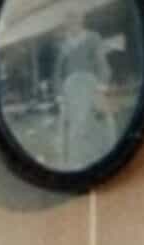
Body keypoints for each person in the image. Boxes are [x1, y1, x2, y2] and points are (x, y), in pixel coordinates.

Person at [54, 11, 116, 170]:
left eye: (75, 20)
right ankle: (77, 164)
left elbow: (102, 63)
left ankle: (104, 161)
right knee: (73, 127)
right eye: (69, 21)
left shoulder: (93, 38)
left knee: (99, 121)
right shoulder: (63, 44)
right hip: (70, 88)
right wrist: (59, 95)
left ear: (82, 21)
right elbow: (57, 72)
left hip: (90, 83)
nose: (72, 24)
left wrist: (102, 85)